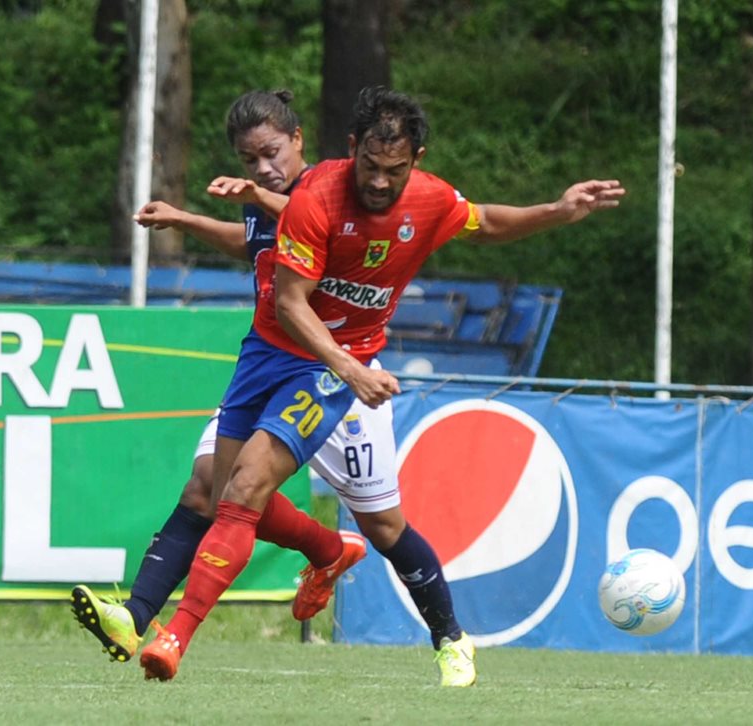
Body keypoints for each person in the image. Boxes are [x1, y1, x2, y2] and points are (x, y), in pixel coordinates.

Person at [138, 86, 626, 684]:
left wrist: (557, 210)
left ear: (415, 159)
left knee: (372, 522)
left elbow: (487, 222)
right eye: (370, 166)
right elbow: (291, 303)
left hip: (337, 368)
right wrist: (353, 371)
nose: (379, 181)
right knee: (227, 491)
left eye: (394, 170)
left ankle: (449, 637)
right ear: (352, 149)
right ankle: (230, 601)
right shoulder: (315, 198)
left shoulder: (430, 199)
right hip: (289, 353)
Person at [70, 89, 477, 687]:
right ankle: (136, 618)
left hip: (339, 376)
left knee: (385, 527)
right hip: (276, 366)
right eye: (249, 159)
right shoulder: (268, 202)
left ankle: (449, 636)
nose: (263, 168)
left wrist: (261, 198)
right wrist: (185, 220)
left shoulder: (328, 193)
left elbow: (298, 222)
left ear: (300, 143)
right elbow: (253, 239)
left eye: (272, 153)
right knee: (215, 485)